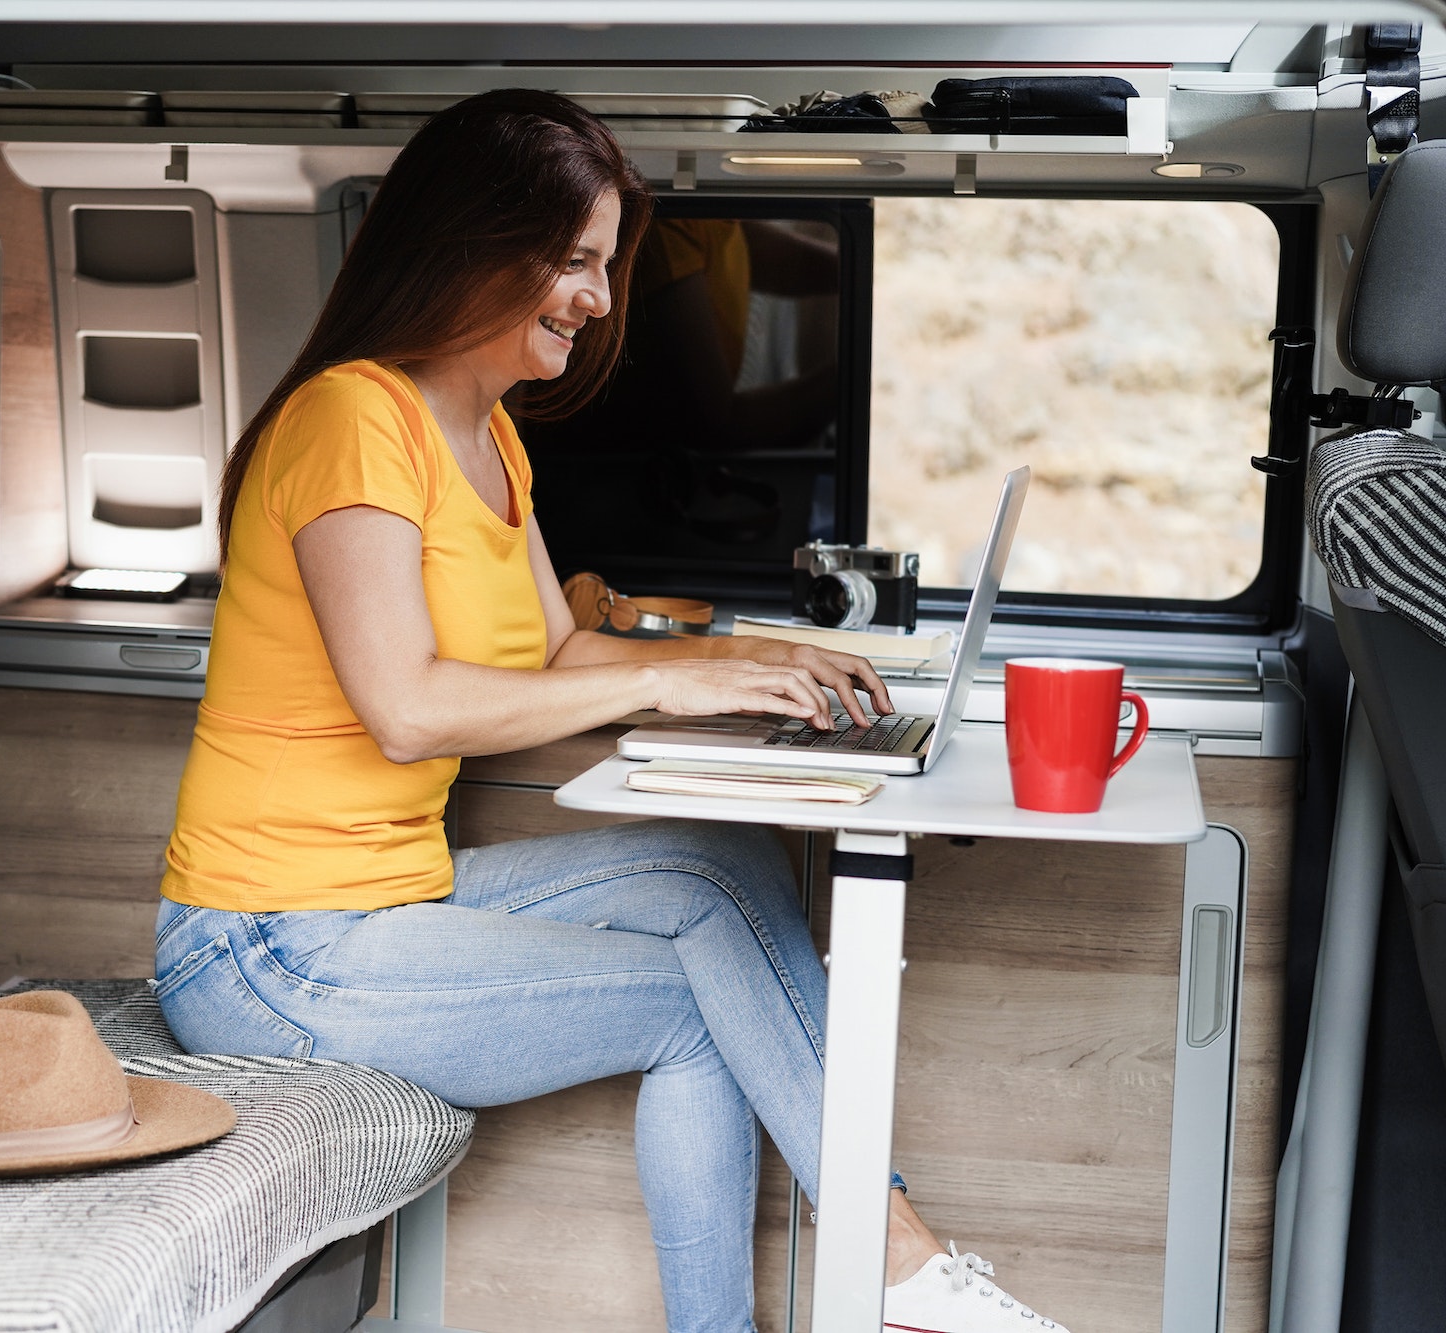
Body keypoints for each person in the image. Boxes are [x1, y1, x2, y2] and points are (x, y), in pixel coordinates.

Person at [153, 89, 1068, 1333]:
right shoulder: (349, 418)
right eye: (574, 263)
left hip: (379, 897)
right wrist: (663, 679)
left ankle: (891, 1264)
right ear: (478, 243)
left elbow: (560, 643)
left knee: (719, 870)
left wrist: (744, 652)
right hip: (265, 947)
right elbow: (406, 708)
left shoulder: (489, 437)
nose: (594, 300)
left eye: (599, 266)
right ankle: (887, 1262)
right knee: (696, 1009)